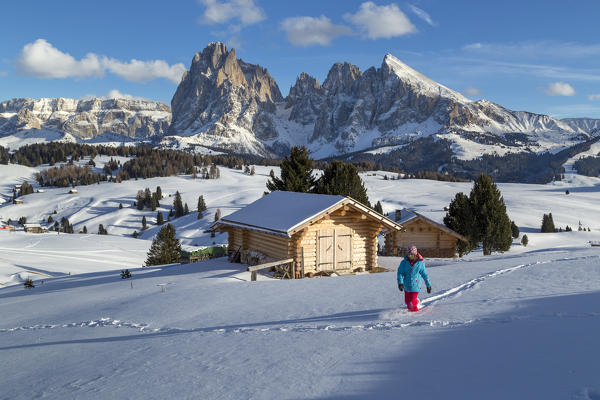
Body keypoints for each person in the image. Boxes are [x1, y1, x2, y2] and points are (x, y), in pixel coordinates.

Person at [397, 245, 432, 312]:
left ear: (415, 254)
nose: (410, 256)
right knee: (407, 302)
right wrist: (400, 283)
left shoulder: (420, 263)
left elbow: (424, 274)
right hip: (406, 285)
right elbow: (400, 273)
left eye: (412, 254)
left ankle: (414, 316)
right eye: (409, 254)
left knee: (411, 304)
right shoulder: (404, 262)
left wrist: (428, 285)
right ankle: (416, 302)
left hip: (416, 286)